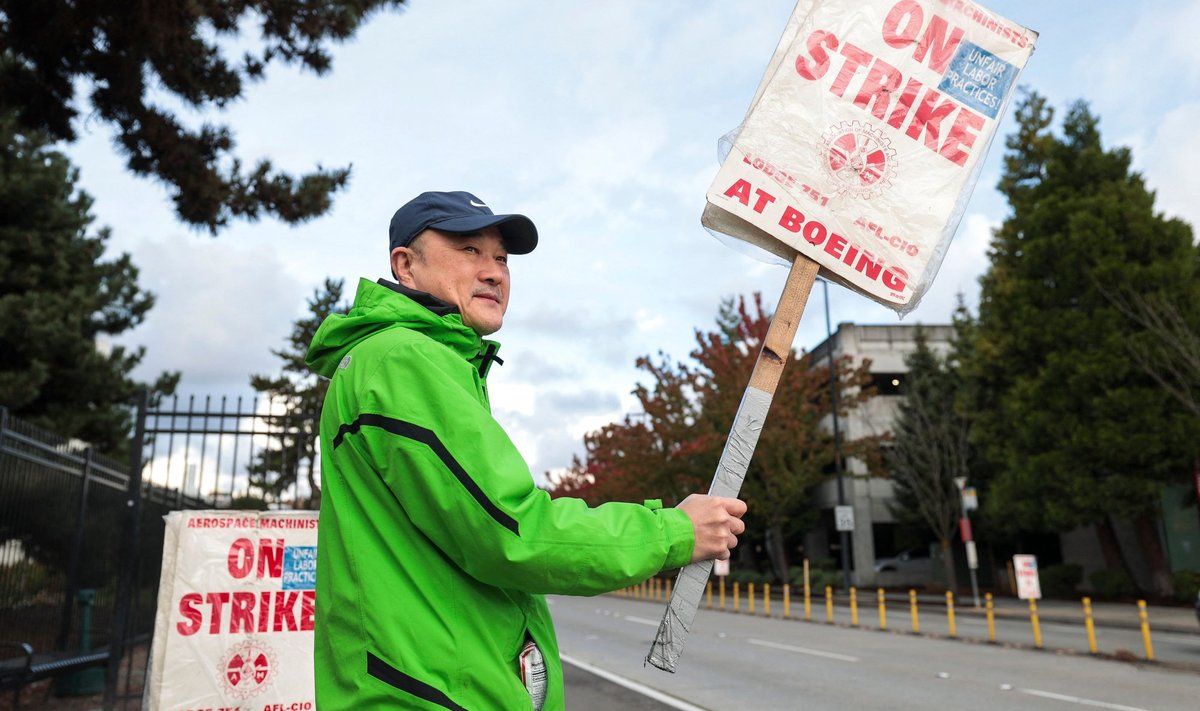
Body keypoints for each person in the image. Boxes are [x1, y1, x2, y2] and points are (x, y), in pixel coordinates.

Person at [305, 190, 747, 710]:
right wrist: (675, 532)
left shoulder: (417, 361)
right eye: (469, 250)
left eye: (501, 258)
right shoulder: (405, 360)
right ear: (405, 265)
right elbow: (512, 531)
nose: (494, 272)